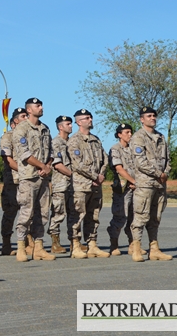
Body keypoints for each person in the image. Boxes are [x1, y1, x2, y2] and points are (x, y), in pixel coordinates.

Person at [12, 98, 55, 262]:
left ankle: (39, 247)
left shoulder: (45, 128)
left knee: (43, 213)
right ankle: (21, 247)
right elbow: (24, 153)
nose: (41, 108)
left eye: (41, 105)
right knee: (26, 213)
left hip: (43, 178)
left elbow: (51, 151)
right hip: (29, 177)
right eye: (38, 106)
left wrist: (47, 166)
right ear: (29, 110)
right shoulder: (21, 129)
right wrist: (42, 166)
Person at [129, 106, 172, 262]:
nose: (152, 118)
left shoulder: (160, 137)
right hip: (145, 183)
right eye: (149, 116)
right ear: (142, 119)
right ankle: (136, 248)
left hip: (160, 184)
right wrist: (158, 173)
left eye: (154, 115)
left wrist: (166, 172)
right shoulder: (138, 137)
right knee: (141, 217)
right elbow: (140, 162)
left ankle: (154, 248)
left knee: (155, 217)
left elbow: (168, 159)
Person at [67, 109, 109, 259]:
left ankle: (92, 244)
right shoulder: (74, 140)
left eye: (90, 117)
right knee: (77, 215)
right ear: (78, 122)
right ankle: (76, 245)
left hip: (96, 185)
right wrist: (94, 176)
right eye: (86, 118)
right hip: (81, 185)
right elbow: (77, 164)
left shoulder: (96, 140)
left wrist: (102, 174)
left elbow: (105, 158)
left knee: (94, 215)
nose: (90, 120)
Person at [106, 124, 139, 256]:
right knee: (121, 216)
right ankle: (114, 244)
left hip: (135, 187)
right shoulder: (115, 149)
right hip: (122, 188)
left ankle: (133, 244)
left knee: (134, 217)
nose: (130, 134)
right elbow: (119, 168)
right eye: (126, 132)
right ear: (119, 134)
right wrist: (133, 181)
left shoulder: (133, 149)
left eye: (131, 132)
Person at [0, 107, 28, 255]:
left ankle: (27, 244)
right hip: (14, 180)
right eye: (23, 116)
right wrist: (23, 171)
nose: (26, 118)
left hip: (28, 180)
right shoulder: (7, 137)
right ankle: (6, 244)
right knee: (10, 212)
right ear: (14, 122)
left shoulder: (29, 135)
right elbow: (7, 159)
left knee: (29, 212)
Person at [48, 115, 73, 255]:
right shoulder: (55, 143)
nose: (71, 126)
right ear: (60, 126)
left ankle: (73, 241)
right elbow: (57, 164)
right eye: (68, 124)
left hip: (73, 185)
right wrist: (74, 175)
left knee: (74, 214)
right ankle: (55, 242)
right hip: (61, 184)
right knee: (58, 212)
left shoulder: (72, 142)